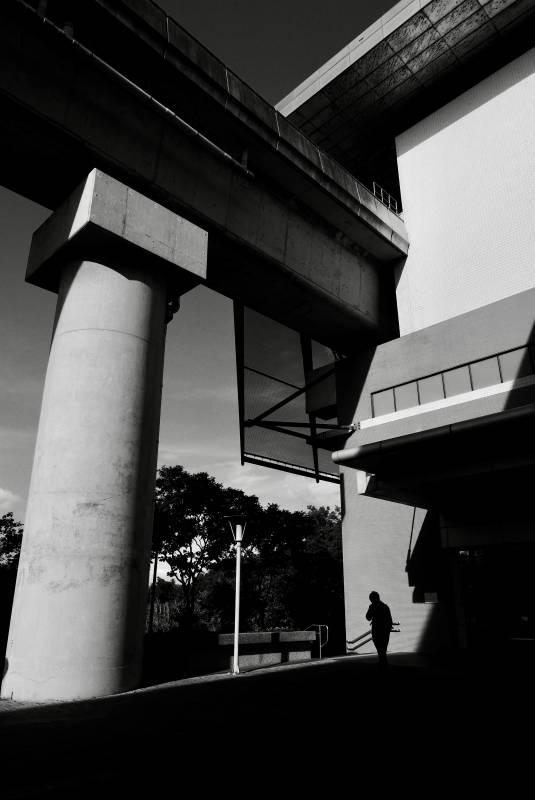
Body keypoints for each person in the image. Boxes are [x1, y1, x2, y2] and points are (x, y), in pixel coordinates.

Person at [366, 591, 393, 667]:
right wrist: (388, 629)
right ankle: (383, 663)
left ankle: (382, 663)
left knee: (379, 648)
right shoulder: (385, 606)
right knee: (383, 649)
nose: (371, 600)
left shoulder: (372, 606)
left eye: (371, 599)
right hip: (385, 631)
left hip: (376, 630)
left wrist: (371, 609)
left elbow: (368, 617)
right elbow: (390, 620)